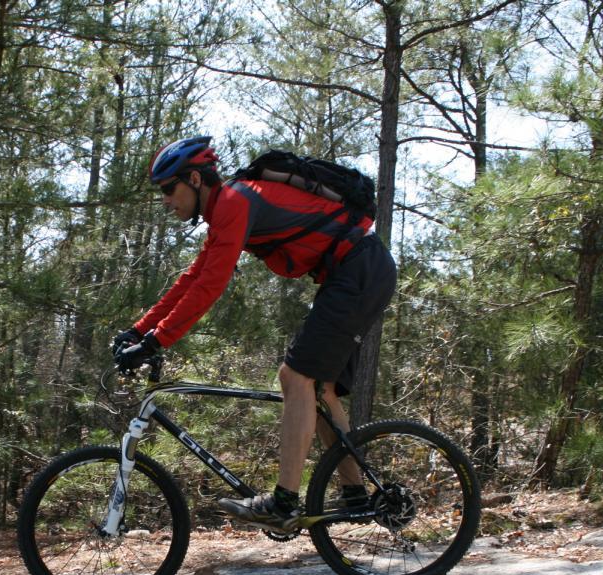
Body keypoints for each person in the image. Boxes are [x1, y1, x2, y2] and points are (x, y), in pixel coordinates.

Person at [112, 135, 397, 530]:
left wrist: (156, 340)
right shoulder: (227, 210)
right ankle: (356, 496)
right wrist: (138, 330)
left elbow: (211, 286)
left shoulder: (234, 201)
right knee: (322, 390)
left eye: (168, 189)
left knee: (294, 376)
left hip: (360, 271)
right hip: (355, 273)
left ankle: (284, 503)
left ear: (194, 179)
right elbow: (192, 278)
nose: (164, 200)